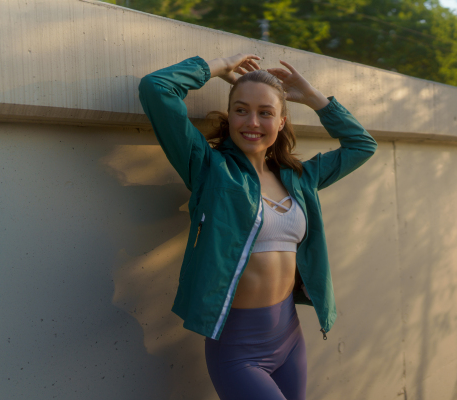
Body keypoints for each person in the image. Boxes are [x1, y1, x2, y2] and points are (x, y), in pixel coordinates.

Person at [138, 53, 377, 400]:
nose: (252, 121)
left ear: (280, 122)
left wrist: (311, 95)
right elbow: (156, 88)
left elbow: (362, 145)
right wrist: (218, 67)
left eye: (265, 112)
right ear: (230, 115)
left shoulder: (301, 178)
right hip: (237, 349)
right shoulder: (210, 169)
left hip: (289, 337)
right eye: (241, 109)